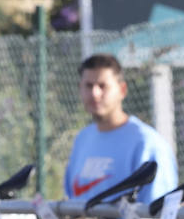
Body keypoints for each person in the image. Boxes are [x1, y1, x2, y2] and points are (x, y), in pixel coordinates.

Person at [65, 54, 178, 206]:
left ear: (122, 90)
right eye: (88, 86)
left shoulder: (147, 142)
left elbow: (160, 215)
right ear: (80, 89)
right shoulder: (83, 139)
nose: (95, 94)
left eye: (102, 86)